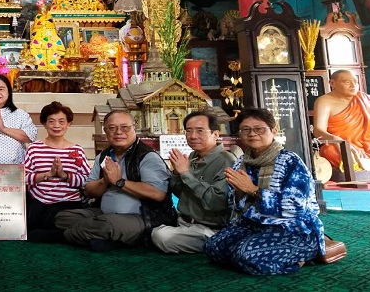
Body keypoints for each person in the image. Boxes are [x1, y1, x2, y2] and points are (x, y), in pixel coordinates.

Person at [205, 108, 325, 275]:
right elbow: (236, 206)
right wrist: (239, 192)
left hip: (293, 229)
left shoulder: (290, 161)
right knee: (214, 248)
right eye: (245, 129)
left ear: (273, 131)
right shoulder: (242, 161)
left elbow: (295, 208)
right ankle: (251, 250)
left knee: (245, 256)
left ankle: (300, 258)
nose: (252, 133)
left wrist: (253, 189)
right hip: (254, 225)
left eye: (259, 128)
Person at [54, 110, 172, 252]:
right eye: (112, 128)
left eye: (125, 127)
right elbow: (90, 191)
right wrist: (105, 181)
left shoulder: (147, 156)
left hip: (143, 217)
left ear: (134, 128)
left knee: (104, 225)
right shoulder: (104, 156)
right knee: (63, 218)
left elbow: (158, 193)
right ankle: (104, 238)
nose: (118, 132)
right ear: (105, 131)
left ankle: (65, 236)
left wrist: (119, 181)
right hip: (105, 213)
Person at [150, 110, 236, 254]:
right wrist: (177, 174)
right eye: (188, 131)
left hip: (209, 228)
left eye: (200, 131)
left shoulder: (226, 161)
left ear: (215, 134)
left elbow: (217, 202)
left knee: (161, 236)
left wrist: (186, 173)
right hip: (184, 221)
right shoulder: (193, 156)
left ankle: (216, 243)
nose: (193, 136)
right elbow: (180, 194)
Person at [24, 102, 90, 242]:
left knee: (50, 220)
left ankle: (53, 234)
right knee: (28, 222)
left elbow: (87, 180)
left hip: (67, 201)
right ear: (44, 123)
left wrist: (64, 176)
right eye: (51, 121)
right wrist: (48, 175)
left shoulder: (77, 150)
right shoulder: (34, 148)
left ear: (68, 124)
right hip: (39, 199)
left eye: (61, 121)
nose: (56, 126)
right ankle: (61, 235)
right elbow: (23, 177)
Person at [313, 69, 370, 170]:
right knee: (328, 151)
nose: (353, 85)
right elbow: (318, 130)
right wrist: (337, 140)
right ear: (332, 83)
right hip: (346, 146)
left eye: (356, 82)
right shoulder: (324, 102)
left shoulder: (366, 99)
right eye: (347, 82)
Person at [29, 2, 66, 69]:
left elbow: (53, 28)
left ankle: (53, 65)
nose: (43, 10)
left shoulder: (49, 16)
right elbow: (35, 29)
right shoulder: (38, 17)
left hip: (51, 36)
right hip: (39, 36)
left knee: (54, 49)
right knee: (37, 50)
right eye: (41, 9)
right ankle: (40, 66)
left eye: (44, 9)